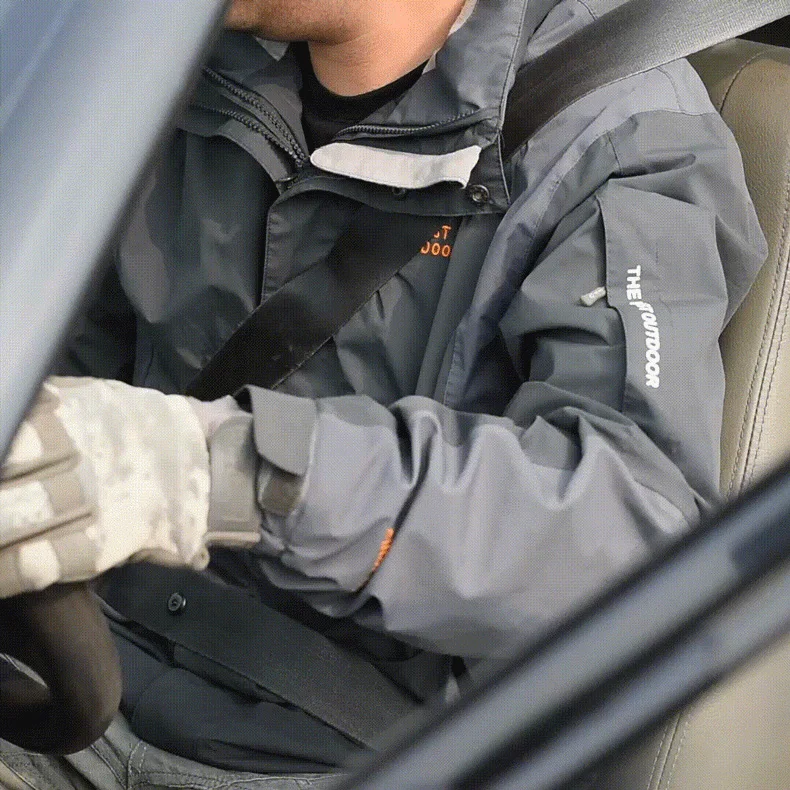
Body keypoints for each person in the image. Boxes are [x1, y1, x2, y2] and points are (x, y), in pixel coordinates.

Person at [0, 0, 769, 787]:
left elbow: (630, 526)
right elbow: (66, 345)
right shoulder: (174, 57)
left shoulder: (620, 138)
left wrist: (228, 473)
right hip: (72, 679)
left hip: (340, 754)